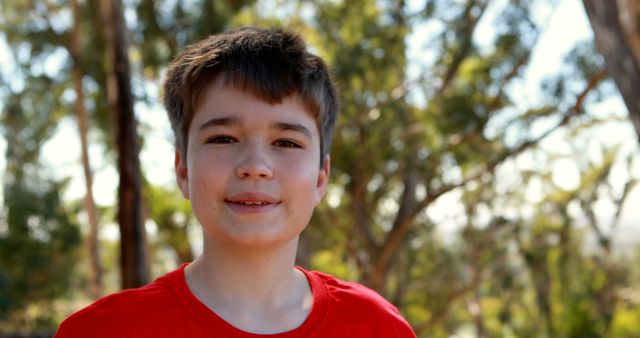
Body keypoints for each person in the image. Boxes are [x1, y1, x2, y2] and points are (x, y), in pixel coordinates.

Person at [55, 27, 417, 338]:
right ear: (183, 170)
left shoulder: (377, 327)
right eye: (223, 138)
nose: (255, 166)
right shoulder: (101, 330)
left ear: (321, 176)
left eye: (286, 142)